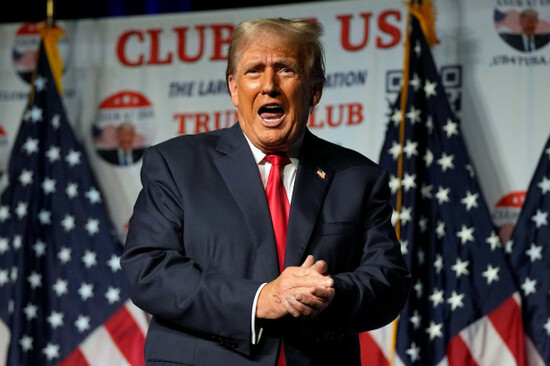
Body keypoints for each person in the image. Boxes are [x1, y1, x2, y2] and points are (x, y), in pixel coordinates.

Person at [121, 17, 411, 366]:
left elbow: (388, 280)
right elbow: (149, 269)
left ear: (314, 90)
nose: (269, 86)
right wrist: (260, 300)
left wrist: (327, 293)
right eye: (254, 71)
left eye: (286, 70)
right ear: (233, 88)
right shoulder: (177, 165)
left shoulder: (357, 176)